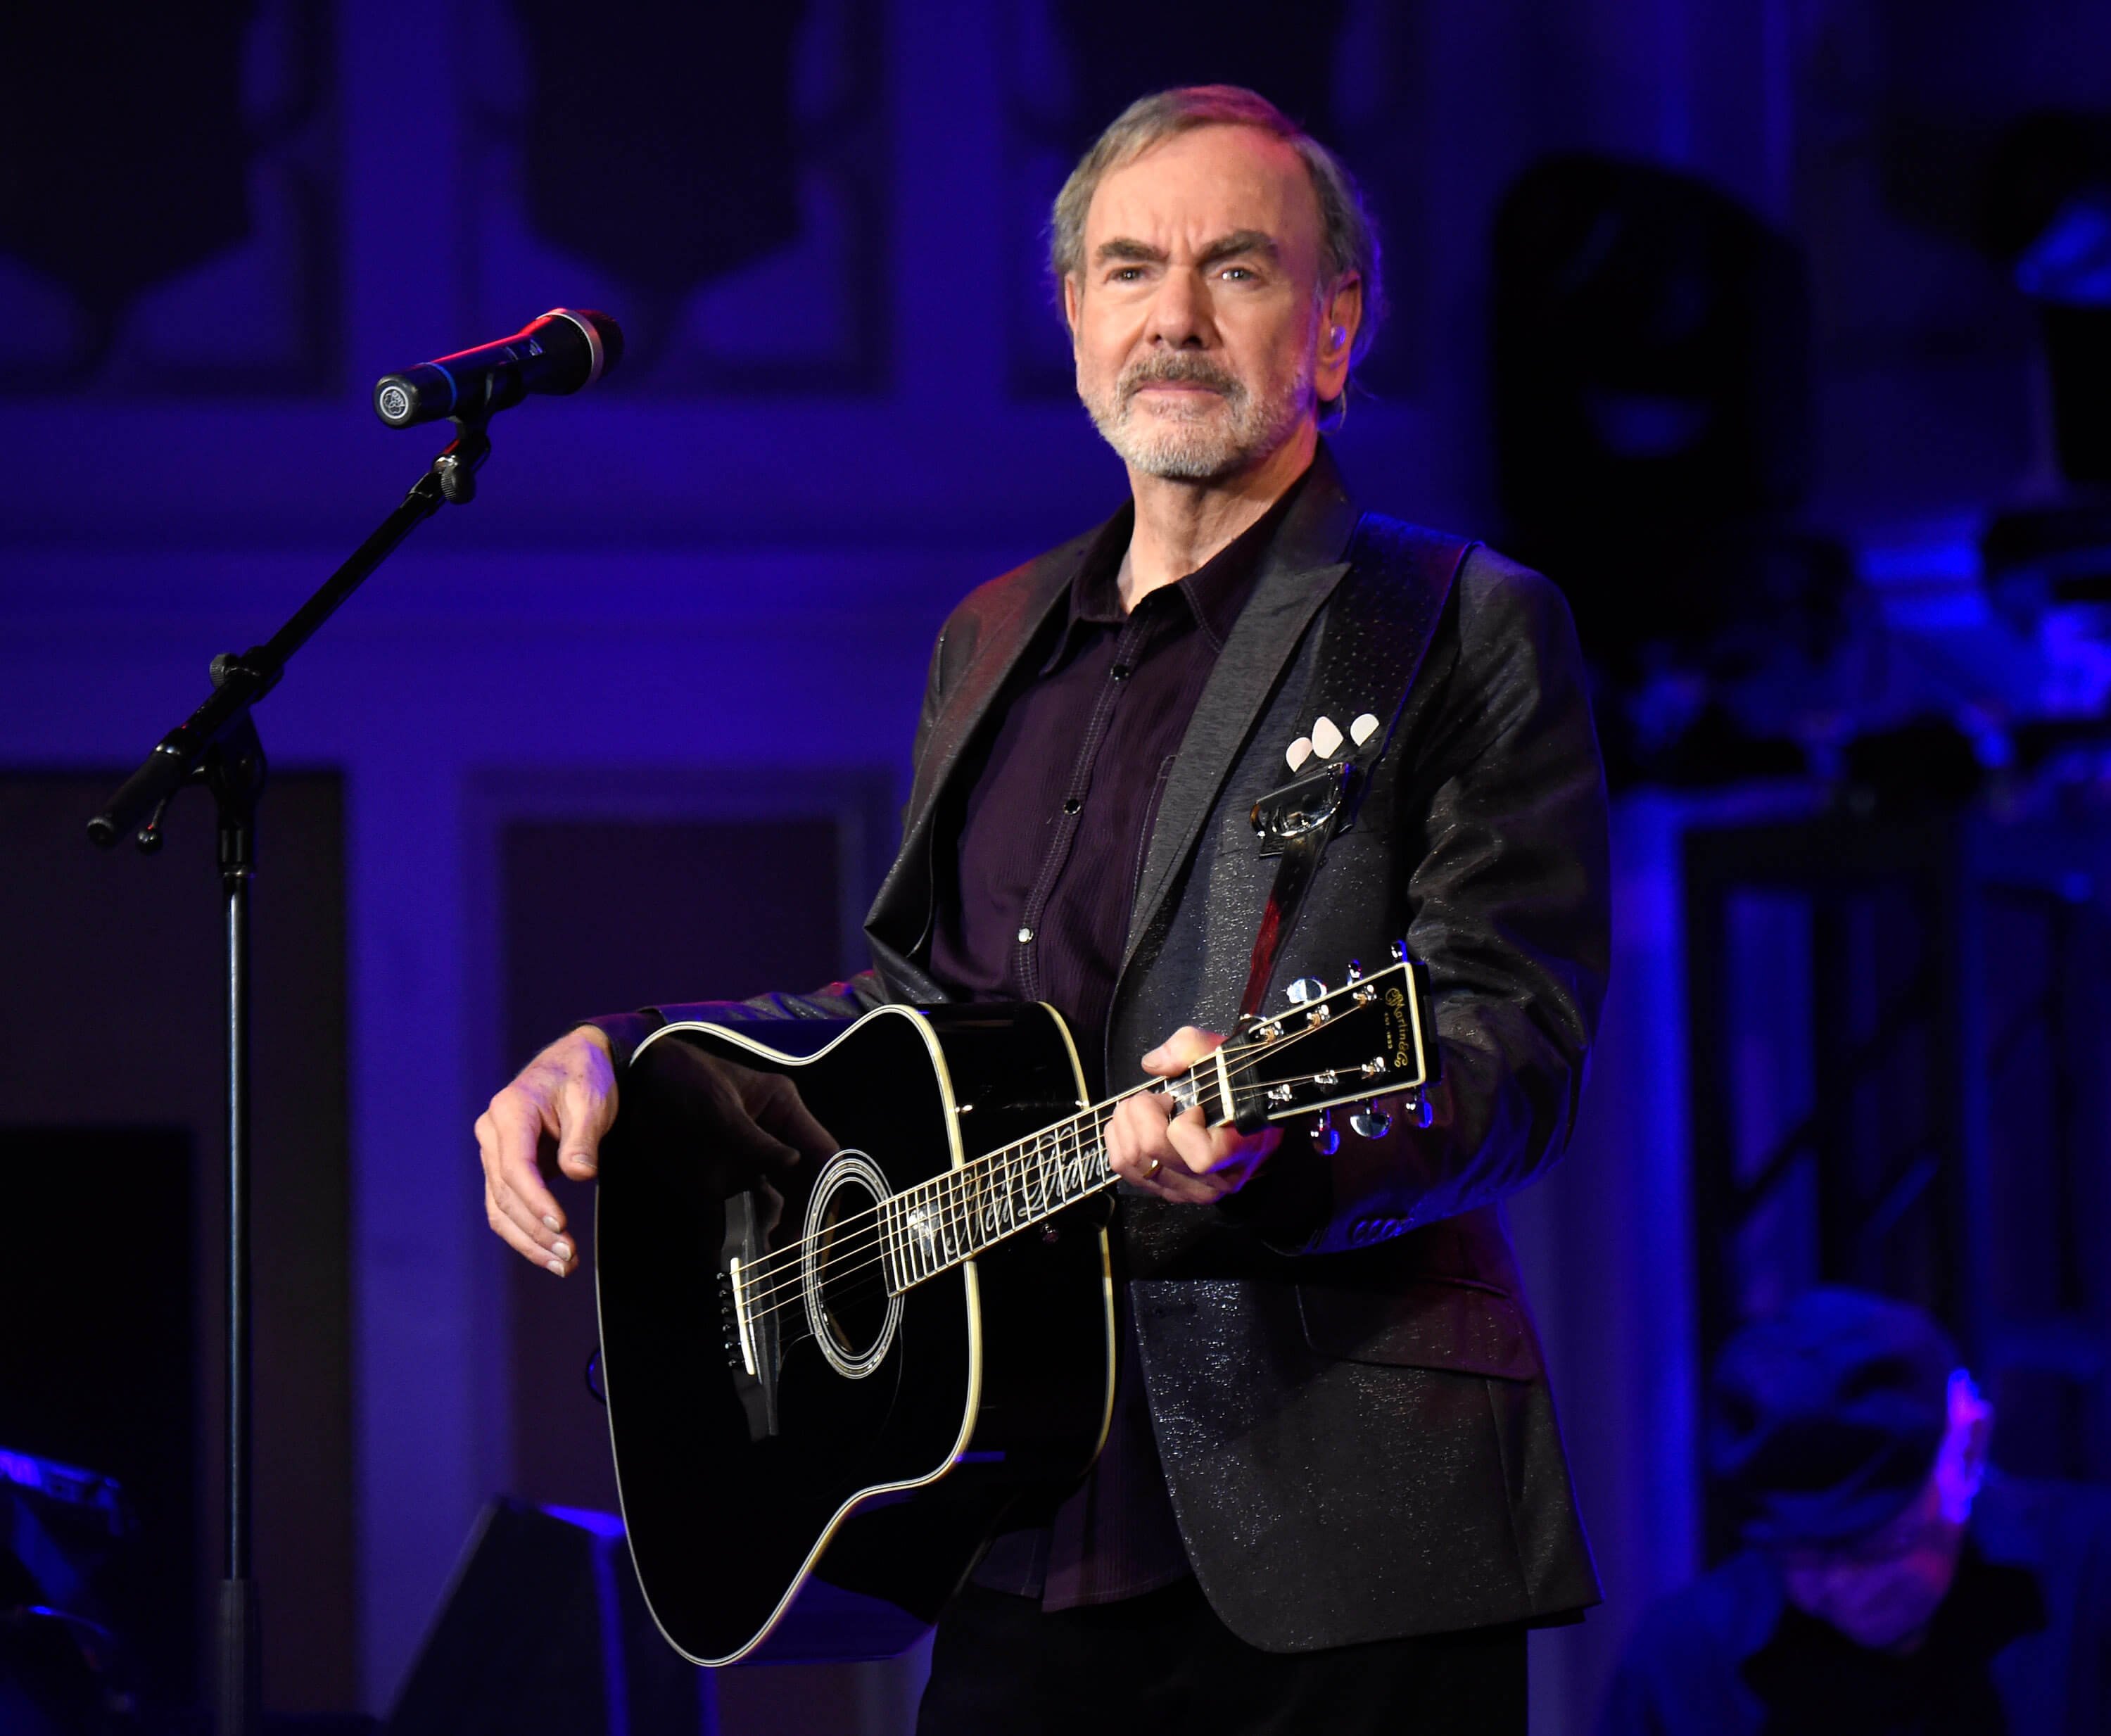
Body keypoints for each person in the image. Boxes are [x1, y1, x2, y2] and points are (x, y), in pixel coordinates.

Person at [477, 84, 1610, 1733]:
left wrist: (1273, 1140)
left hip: (1339, 1534)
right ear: (1073, 317)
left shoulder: (1448, 622)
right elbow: (915, 1031)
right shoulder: (991, 636)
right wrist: (623, 1048)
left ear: (1335, 319)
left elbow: (1511, 1036)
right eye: (1130, 268)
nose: (1174, 316)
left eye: (1236, 268)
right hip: (1006, 1517)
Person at [1599, 1286, 2111, 1735]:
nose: (1842, 1586)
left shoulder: (2092, 1575)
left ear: (1968, 1446)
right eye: (1801, 1555)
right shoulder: (1680, 1668)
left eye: (1880, 1543)